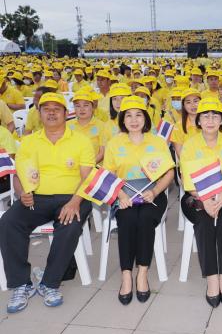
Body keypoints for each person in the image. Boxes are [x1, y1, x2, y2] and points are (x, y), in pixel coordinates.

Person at [0, 92, 95, 313]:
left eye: (56, 109)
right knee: (8, 223)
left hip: (73, 196)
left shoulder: (80, 141)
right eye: (46, 109)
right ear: (39, 113)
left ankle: (49, 283)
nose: (51, 113)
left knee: (70, 226)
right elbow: (19, 175)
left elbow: (88, 178)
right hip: (36, 197)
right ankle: (21, 283)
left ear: (65, 114)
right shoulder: (29, 141)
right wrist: (22, 191)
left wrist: (74, 202)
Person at [103, 95, 174, 305]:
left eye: (139, 115)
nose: (134, 120)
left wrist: (155, 191)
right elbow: (107, 175)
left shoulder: (157, 141)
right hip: (123, 193)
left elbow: (169, 173)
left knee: (145, 219)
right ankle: (126, 274)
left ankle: (142, 272)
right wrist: (120, 195)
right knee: (127, 220)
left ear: (146, 118)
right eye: (129, 116)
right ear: (122, 119)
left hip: (152, 193)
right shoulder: (114, 143)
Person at [180, 97, 222, 308]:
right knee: (205, 222)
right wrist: (205, 200)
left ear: (221, 121)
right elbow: (187, 182)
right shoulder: (190, 145)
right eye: (205, 116)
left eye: (215, 116)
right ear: (198, 121)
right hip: (197, 197)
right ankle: (211, 279)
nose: (210, 120)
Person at [68, 90, 106, 164]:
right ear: (74, 108)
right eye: (78, 106)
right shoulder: (67, 126)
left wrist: (87, 166)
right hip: (71, 168)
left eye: (86, 105)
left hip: (94, 169)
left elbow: (102, 153)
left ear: (92, 107)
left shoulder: (102, 126)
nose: (82, 109)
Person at [171, 88, 201, 157]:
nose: (193, 105)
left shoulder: (209, 123)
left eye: (196, 101)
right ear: (183, 105)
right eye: (188, 102)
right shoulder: (178, 126)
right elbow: (181, 155)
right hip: (188, 165)